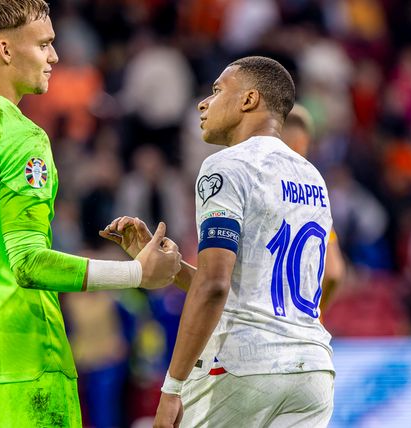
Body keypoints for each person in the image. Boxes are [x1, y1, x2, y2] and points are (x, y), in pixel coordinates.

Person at [0, 1, 181, 427]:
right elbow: (29, 262)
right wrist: (137, 275)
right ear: (6, 49)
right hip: (22, 364)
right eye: (45, 44)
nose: (54, 57)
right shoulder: (19, 136)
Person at [101, 56, 335, 427]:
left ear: (248, 100)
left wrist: (171, 388)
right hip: (312, 372)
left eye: (216, 90)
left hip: (242, 366)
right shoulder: (312, 177)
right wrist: (175, 269)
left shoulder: (226, 166)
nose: (203, 103)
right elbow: (246, 293)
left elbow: (214, 286)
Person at [281, 104, 346, 310]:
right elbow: (334, 272)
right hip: (304, 325)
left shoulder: (259, 189)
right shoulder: (313, 198)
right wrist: (315, 313)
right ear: (304, 142)